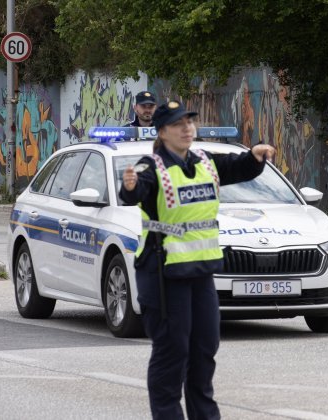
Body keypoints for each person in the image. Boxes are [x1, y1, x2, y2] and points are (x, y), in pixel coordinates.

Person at [119, 100, 275, 419]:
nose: (187, 128)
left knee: (204, 351)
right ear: (162, 132)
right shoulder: (152, 167)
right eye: (178, 124)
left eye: (190, 122)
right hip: (163, 274)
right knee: (172, 353)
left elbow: (237, 167)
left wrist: (255, 156)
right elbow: (135, 193)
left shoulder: (205, 161)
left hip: (201, 272)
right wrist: (130, 187)